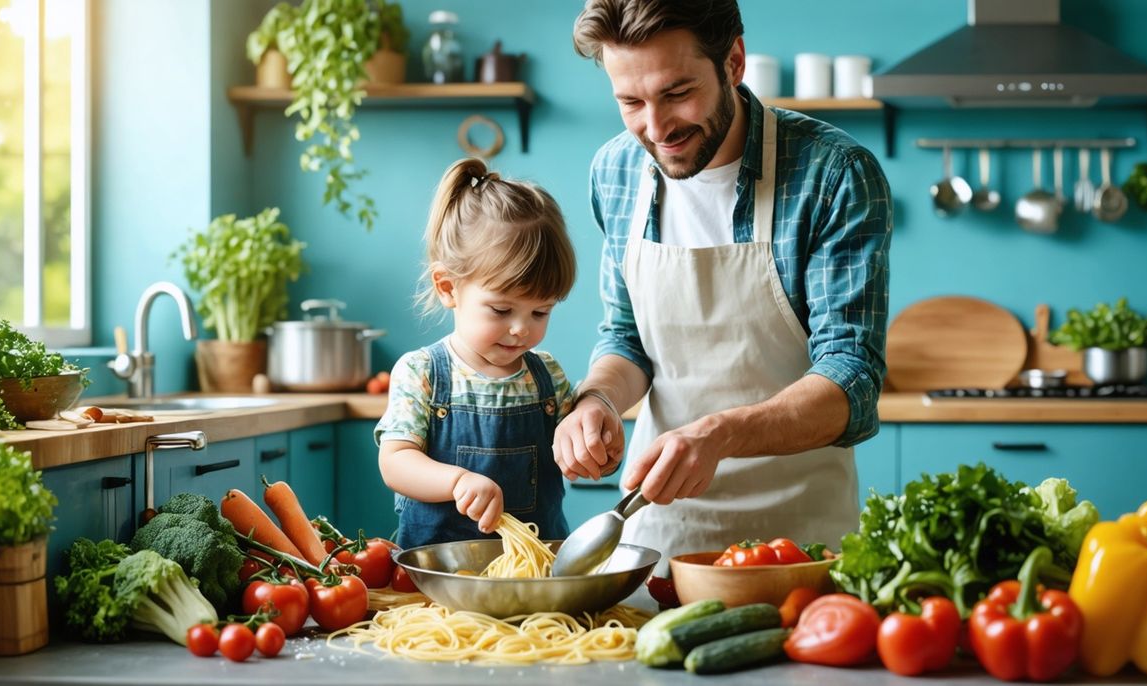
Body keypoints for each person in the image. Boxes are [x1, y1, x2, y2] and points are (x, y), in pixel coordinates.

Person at [555, 0, 893, 564]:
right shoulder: (614, 171)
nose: (656, 128)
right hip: (657, 533)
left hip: (799, 544)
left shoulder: (832, 173)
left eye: (677, 93)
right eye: (631, 102)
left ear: (734, 61)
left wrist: (718, 435)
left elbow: (851, 378)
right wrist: (597, 400)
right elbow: (626, 337)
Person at [376, 158, 579, 550]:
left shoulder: (547, 376)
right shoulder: (422, 373)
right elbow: (395, 462)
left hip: (536, 572)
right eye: (501, 310)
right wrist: (457, 481)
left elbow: (572, 447)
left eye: (541, 311)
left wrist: (592, 446)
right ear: (448, 287)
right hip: (438, 573)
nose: (522, 328)